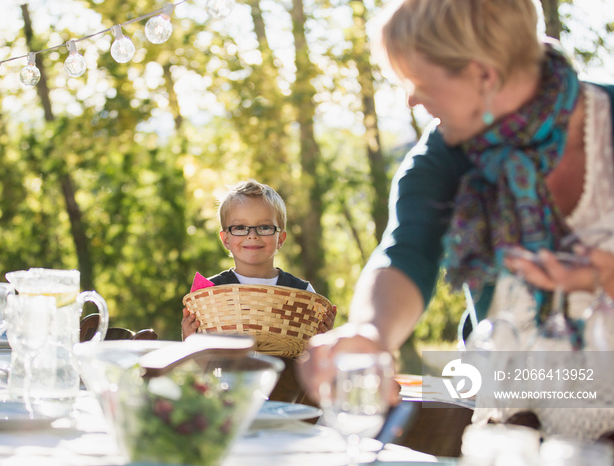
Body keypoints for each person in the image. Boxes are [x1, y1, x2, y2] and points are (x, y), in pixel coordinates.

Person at [298, 0, 614, 440]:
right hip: (517, 434)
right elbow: (407, 252)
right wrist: (371, 333)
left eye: (419, 80)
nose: (410, 97)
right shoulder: (443, 158)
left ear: (483, 74)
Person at [181, 179, 336, 339]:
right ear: (225, 239)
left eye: (264, 227)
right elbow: (203, 361)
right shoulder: (208, 294)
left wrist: (322, 338)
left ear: (281, 238)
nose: (253, 236)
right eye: (240, 228)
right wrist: (190, 339)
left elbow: (311, 355)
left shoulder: (302, 294)